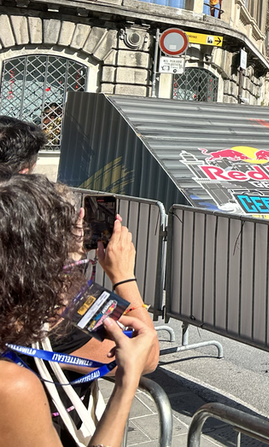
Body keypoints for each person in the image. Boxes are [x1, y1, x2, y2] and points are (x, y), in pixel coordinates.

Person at [0, 174, 157, 447]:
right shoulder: (14, 384)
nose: (76, 282)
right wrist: (123, 277)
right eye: (72, 270)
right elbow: (148, 354)